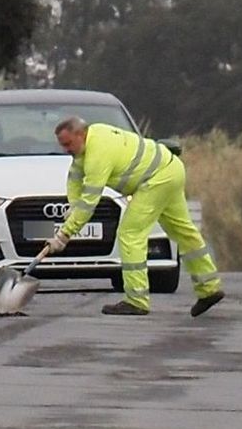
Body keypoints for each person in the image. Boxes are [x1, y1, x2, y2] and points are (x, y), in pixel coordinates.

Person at [47, 117, 225, 317]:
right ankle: (209, 288)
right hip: (172, 169)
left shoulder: (98, 153)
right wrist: (73, 204)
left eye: (68, 144)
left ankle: (136, 300)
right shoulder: (90, 141)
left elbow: (89, 203)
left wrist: (63, 236)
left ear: (80, 134)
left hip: (157, 179)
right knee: (183, 232)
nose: (66, 149)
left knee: (130, 233)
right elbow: (75, 177)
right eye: (63, 145)